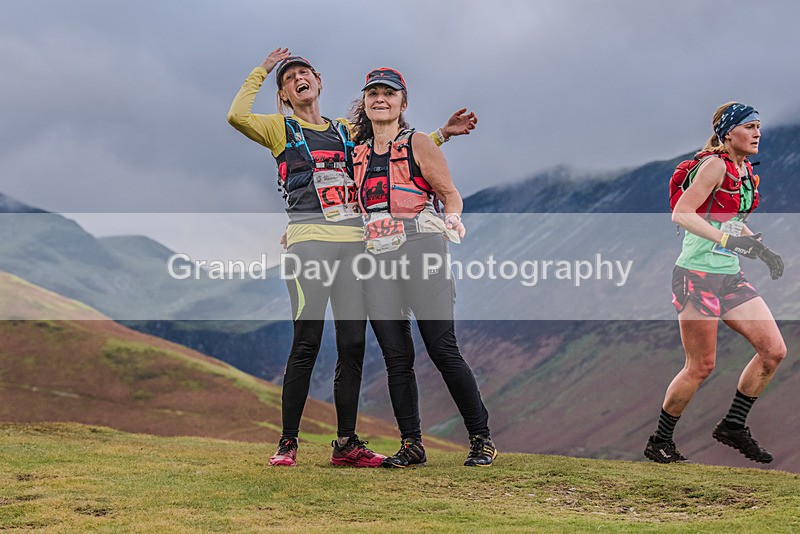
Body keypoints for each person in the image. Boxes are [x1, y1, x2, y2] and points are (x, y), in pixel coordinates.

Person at [227, 48, 477, 467]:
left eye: (305, 73)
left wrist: (439, 136)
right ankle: (288, 443)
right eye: (289, 79)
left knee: (353, 345)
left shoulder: (345, 131)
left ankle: (346, 444)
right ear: (284, 95)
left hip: (356, 248)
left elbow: (391, 150)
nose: (298, 79)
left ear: (320, 81)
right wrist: (263, 69)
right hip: (309, 247)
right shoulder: (279, 129)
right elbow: (236, 116)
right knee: (305, 343)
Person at [349, 68, 497, 467]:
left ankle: (481, 438)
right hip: (377, 258)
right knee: (396, 357)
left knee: (442, 348)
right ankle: (411, 444)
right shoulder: (357, 152)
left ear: (403, 102)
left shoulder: (417, 143)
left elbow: (450, 194)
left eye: (389, 94)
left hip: (421, 250)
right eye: (374, 94)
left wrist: (452, 219)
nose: (381, 99)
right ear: (365, 102)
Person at [645, 102, 786, 464]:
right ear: (728, 133)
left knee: (773, 351)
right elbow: (682, 214)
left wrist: (759, 246)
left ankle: (733, 426)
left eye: (759, 126)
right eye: (749, 126)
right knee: (701, 366)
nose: (757, 133)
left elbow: (728, 219)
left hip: (729, 275)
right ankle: (660, 441)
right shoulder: (714, 165)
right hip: (696, 275)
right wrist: (727, 242)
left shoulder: (745, 173)